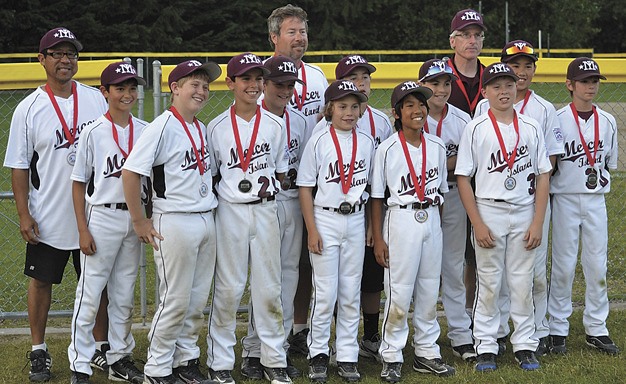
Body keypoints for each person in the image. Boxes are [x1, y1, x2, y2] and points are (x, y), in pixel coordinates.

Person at [3, 27, 108, 382]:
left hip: (93, 213)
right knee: (41, 282)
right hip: (48, 214)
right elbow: (18, 166)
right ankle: (39, 350)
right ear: (42, 59)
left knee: (97, 283)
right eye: (57, 53)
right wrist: (23, 214)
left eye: (71, 53)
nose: (66, 60)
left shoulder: (96, 99)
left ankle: (100, 346)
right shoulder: (28, 108)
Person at [122, 59, 222, 384]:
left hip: (205, 217)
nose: (202, 90)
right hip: (175, 221)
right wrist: (139, 220)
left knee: (195, 301)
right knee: (175, 300)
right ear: (174, 87)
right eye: (194, 84)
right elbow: (131, 171)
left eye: (205, 85)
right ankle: (157, 367)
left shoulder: (200, 127)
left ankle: (186, 361)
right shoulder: (162, 126)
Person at [455, 63, 552, 372]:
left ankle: (525, 344)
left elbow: (543, 176)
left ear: (515, 88)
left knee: (523, 282)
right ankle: (486, 344)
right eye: (496, 86)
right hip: (489, 209)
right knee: (489, 282)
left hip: (524, 209)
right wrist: (478, 223)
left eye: (508, 85)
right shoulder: (476, 127)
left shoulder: (531, 126)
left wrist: (537, 221)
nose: (504, 91)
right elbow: (463, 178)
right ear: (485, 92)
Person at [475, 40, 565, 356]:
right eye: (515, 65)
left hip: (531, 200)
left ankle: (537, 332)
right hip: (496, 200)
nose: (522, 72)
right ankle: (498, 332)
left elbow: (550, 161)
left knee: (533, 272)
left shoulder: (543, 108)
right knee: (496, 275)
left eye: (528, 65)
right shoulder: (484, 106)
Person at [205, 52, 291, 384]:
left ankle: (273, 358)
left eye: (258, 79)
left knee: (269, 288)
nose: (253, 85)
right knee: (228, 289)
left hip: (266, 208)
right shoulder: (215, 127)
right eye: (246, 79)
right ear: (230, 83)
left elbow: (281, 172)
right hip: (230, 211)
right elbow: (212, 176)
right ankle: (220, 361)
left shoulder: (274, 124)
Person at [67, 62, 148, 384]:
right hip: (102, 215)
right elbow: (77, 183)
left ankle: (119, 358)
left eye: (132, 88)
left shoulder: (145, 129)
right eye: (120, 88)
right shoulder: (92, 131)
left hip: (134, 218)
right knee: (90, 293)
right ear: (105, 92)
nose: (127, 94)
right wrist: (82, 229)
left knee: (124, 292)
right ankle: (80, 362)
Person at [371, 81, 454, 383]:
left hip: (430, 216)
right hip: (400, 219)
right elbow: (377, 197)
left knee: (430, 288)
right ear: (397, 112)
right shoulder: (387, 149)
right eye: (409, 105)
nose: (418, 110)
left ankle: (426, 351)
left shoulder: (437, 146)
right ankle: (392, 354)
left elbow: (442, 191)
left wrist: (438, 227)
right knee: (399, 290)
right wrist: (379, 237)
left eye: (421, 104)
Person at [296, 80, 374, 383]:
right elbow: (305, 188)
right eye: (342, 106)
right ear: (330, 109)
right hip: (325, 218)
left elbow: (369, 188)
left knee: (350, 290)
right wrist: (311, 230)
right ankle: (318, 353)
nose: (349, 112)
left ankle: (347, 354)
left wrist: (368, 224)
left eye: (355, 106)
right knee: (326, 291)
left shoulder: (366, 142)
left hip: (354, 219)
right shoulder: (319, 140)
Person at [239, 55, 308, 380]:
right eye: (279, 83)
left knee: (288, 277)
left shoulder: (301, 120)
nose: (285, 90)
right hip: (262, 204)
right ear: (264, 84)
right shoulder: (255, 118)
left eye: (290, 84)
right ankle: (253, 350)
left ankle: (276, 348)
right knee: (264, 279)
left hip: (293, 202)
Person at [267, 5, 329, 356]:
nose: (300, 38)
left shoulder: (318, 77)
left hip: (314, 185)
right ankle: (268, 332)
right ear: (274, 37)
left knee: (306, 260)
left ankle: (299, 328)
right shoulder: (262, 75)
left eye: (303, 32)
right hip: (275, 187)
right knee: (272, 263)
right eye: (292, 32)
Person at [547, 57, 620, 356]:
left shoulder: (609, 121)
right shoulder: (558, 119)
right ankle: (558, 328)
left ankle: (596, 327)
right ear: (569, 85)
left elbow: (608, 163)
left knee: (596, 264)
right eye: (584, 81)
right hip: (564, 197)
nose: (591, 86)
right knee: (563, 265)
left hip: (595, 199)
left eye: (595, 81)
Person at [332, 54, 392, 362]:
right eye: (354, 78)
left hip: (371, 210)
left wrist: (375, 223)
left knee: (371, 275)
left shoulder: (381, 122)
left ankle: (370, 336)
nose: (361, 84)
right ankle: (339, 339)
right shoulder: (330, 123)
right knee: (337, 277)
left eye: (365, 78)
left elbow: (386, 174)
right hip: (337, 210)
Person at [417, 59, 474, 362]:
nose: (441, 89)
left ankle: (460, 334)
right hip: (419, 200)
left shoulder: (463, 119)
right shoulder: (412, 114)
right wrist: (444, 162)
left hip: (452, 197)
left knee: (452, 266)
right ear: (421, 85)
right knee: (420, 270)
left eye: (446, 83)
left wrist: (437, 162)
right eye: (434, 83)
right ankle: (421, 334)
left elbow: (467, 164)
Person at [447, 8, 487, 321]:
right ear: (453, 41)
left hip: (486, 181)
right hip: (446, 182)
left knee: (478, 254)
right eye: (465, 35)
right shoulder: (440, 78)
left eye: (477, 35)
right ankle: (448, 314)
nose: (471, 41)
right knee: (446, 253)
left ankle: (473, 314)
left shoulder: (494, 78)